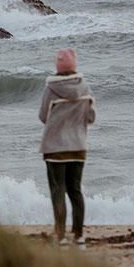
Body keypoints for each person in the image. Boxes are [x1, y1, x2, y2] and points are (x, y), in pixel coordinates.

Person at [38, 48, 95, 245]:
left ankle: (60, 235)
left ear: (58, 67)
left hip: (55, 148)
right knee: (75, 190)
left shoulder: (50, 89)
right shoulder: (85, 88)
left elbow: (43, 116)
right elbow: (91, 117)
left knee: (58, 190)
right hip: (78, 146)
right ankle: (79, 234)